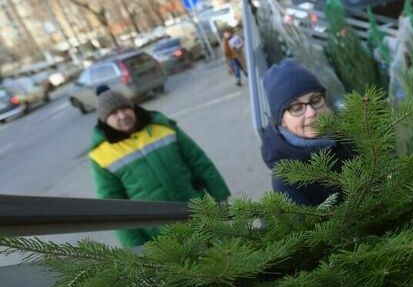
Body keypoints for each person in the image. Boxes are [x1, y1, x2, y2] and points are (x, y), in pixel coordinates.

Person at [89, 87, 231, 247]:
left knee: (222, 256)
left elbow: (198, 161)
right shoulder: (100, 156)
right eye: (114, 113)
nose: (122, 115)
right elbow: (114, 206)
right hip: (159, 234)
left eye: (124, 108)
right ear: (104, 120)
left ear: (132, 107)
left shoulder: (162, 127)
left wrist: (221, 196)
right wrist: (135, 247)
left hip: (198, 213)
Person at [259, 58, 354, 205]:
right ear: (281, 120)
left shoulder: (347, 136)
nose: (311, 112)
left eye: (315, 100)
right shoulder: (288, 181)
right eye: (297, 108)